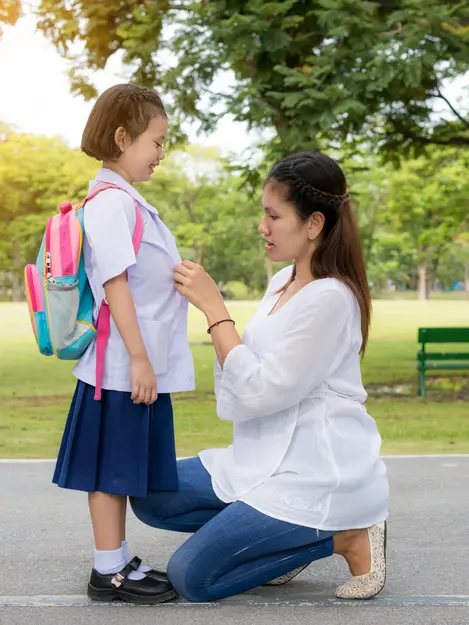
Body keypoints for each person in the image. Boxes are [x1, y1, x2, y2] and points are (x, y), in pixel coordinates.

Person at [130, 150, 389, 602]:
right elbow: (249, 367)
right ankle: (282, 537)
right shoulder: (283, 281)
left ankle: (345, 536)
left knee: (192, 577)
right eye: (262, 213)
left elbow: (262, 390)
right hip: (259, 457)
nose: (261, 227)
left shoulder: (331, 299)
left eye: (274, 215)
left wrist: (214, 309)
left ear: (313, 225)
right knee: (150, 493)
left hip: (311, 470)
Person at [52, 84, 195, 604]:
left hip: (129, 363)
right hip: (119, 365)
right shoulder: (112, 203)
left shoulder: (124, 201)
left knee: (117, 467)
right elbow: (115, 284)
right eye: (156, 141)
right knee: (111, 471)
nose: (161, 152)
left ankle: (115, 560)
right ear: (122, 137)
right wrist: (138, 359)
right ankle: (108, 571)